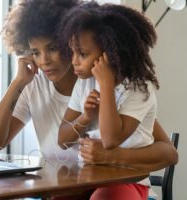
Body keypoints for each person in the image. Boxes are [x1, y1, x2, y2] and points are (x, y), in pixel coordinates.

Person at [0, 0, 177, 198]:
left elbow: (168, 153)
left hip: (110, 187)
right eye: (35, 52)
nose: (44, 60)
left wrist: (113, 156)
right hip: (62, 190)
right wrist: (18, 83)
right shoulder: (35, 86)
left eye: (53, 48)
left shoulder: (103, 83)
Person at [57, 1, 171, 199]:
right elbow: (62, 140)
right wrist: (85, 117)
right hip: (89, 178)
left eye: (82, 54)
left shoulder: (138, 88)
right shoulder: (84, 83)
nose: (74, 61)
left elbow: (110, 141)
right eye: (73, 52)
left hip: (127, 181)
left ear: (109, 53)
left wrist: (106, 84)